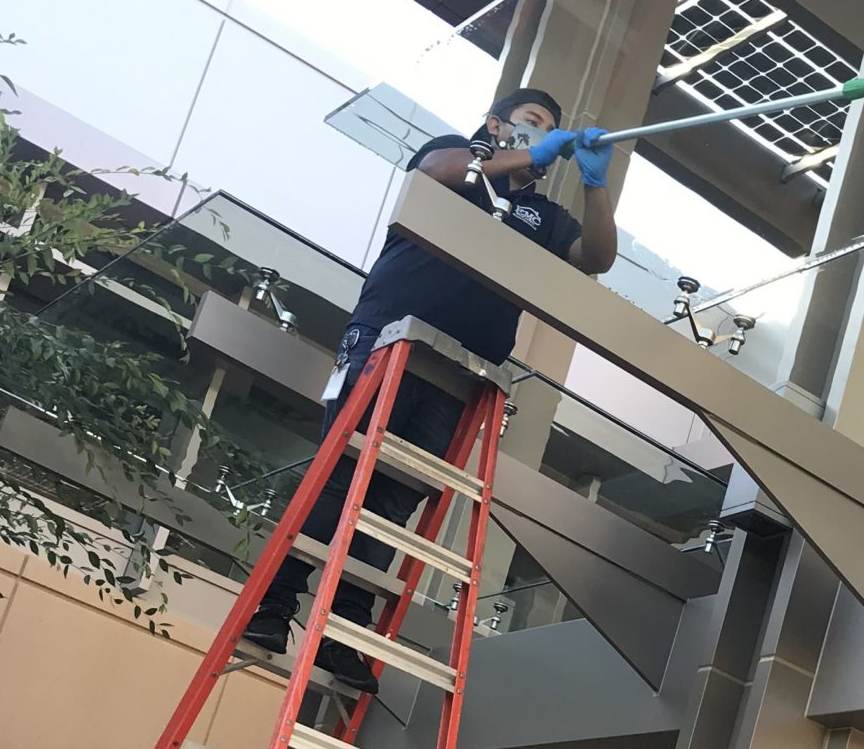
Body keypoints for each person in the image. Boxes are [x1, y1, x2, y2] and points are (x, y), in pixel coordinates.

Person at [243, 90, 616, 680]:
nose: (543, 136)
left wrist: (596, 185)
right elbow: (439, 171)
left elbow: (596, 256)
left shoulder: (544, 217)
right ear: (496, 124)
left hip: (460, 368)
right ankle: (275, 604)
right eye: (533, 123)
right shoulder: (457, 160)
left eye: (550, 131)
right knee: (342, 471)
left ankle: (346, 627)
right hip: (387, 338)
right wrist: (523, 155)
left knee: (394, 498)